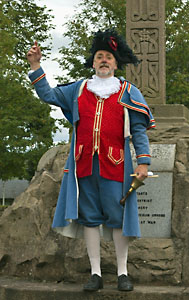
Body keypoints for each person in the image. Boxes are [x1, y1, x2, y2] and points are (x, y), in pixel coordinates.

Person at [27, 29, 155, 292]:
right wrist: (36, 65)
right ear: (93, 62)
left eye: (108, 57)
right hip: (83, 165)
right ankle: (95, 273)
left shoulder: (128, 91)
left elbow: (139, 130)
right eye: (99, 57)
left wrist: (143, 163)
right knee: (90, 218)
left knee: (118, 218)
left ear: (116, 63)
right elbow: (49, 95)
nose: (104, 61)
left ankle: (122, 272)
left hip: (116, 165)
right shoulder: (79, 89)